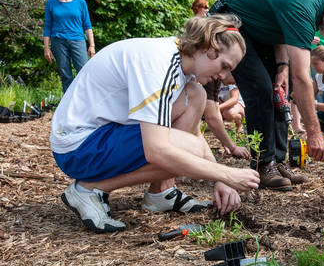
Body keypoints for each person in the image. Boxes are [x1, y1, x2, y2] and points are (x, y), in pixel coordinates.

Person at [50, 15, 260, 233]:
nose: (223, 76)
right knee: (188, 148)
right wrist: (226, 174)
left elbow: (195, 134)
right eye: (224, 66)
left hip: (100, 135)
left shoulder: (180, 65)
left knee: (195, 95)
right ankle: (87, 190)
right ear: (208, 48)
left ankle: (161, 192)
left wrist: (220, 180)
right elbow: (157, 151)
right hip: (78, 147)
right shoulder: (159, 64)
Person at [207, 0, 324, 191]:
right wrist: (314, 133)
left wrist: (281, 67)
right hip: (232, 23)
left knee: (279, 91)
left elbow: (279, 30)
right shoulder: (305, 7)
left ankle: (277, 161)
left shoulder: (314, 9)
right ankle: (263, 164)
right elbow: (302, 78)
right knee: (261, 91)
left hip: (260, 33)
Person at [43, 0, 96, 92]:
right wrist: (46, 47)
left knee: (83, 72)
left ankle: (86, 102)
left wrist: (91, 45)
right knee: (65, 75)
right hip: (58, 42)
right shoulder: (50, 3)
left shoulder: (80, 2)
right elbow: (47, 26)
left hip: (77, 40)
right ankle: (68, 106)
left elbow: (87, 25)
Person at [202, 75, 250, 159]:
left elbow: (233, 99)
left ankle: (240, 124)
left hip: (235, 106)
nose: (236, 83)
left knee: (230, 113)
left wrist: (228, 144)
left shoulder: (221, 81)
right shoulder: (211, 80)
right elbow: (213, 116)